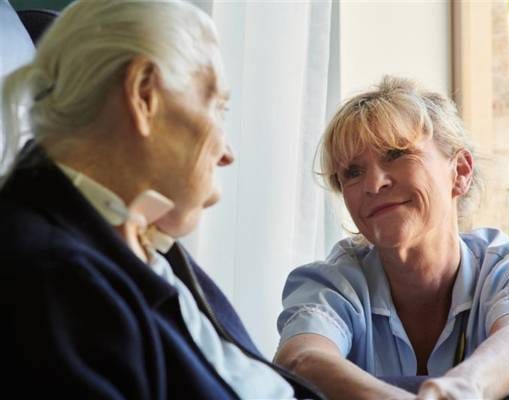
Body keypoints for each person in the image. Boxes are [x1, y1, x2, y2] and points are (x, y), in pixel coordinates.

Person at [0, 1, 322, 398]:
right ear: (143, 94)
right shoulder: (54, 279)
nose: (227, 154)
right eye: (218, 107)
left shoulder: (141, 241)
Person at [274, 76, 509, 400]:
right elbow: (300, 359)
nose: (373, 184)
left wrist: (460, 389)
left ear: (461, 172)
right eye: (353, 172)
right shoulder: (330, 284)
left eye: (396, 154)